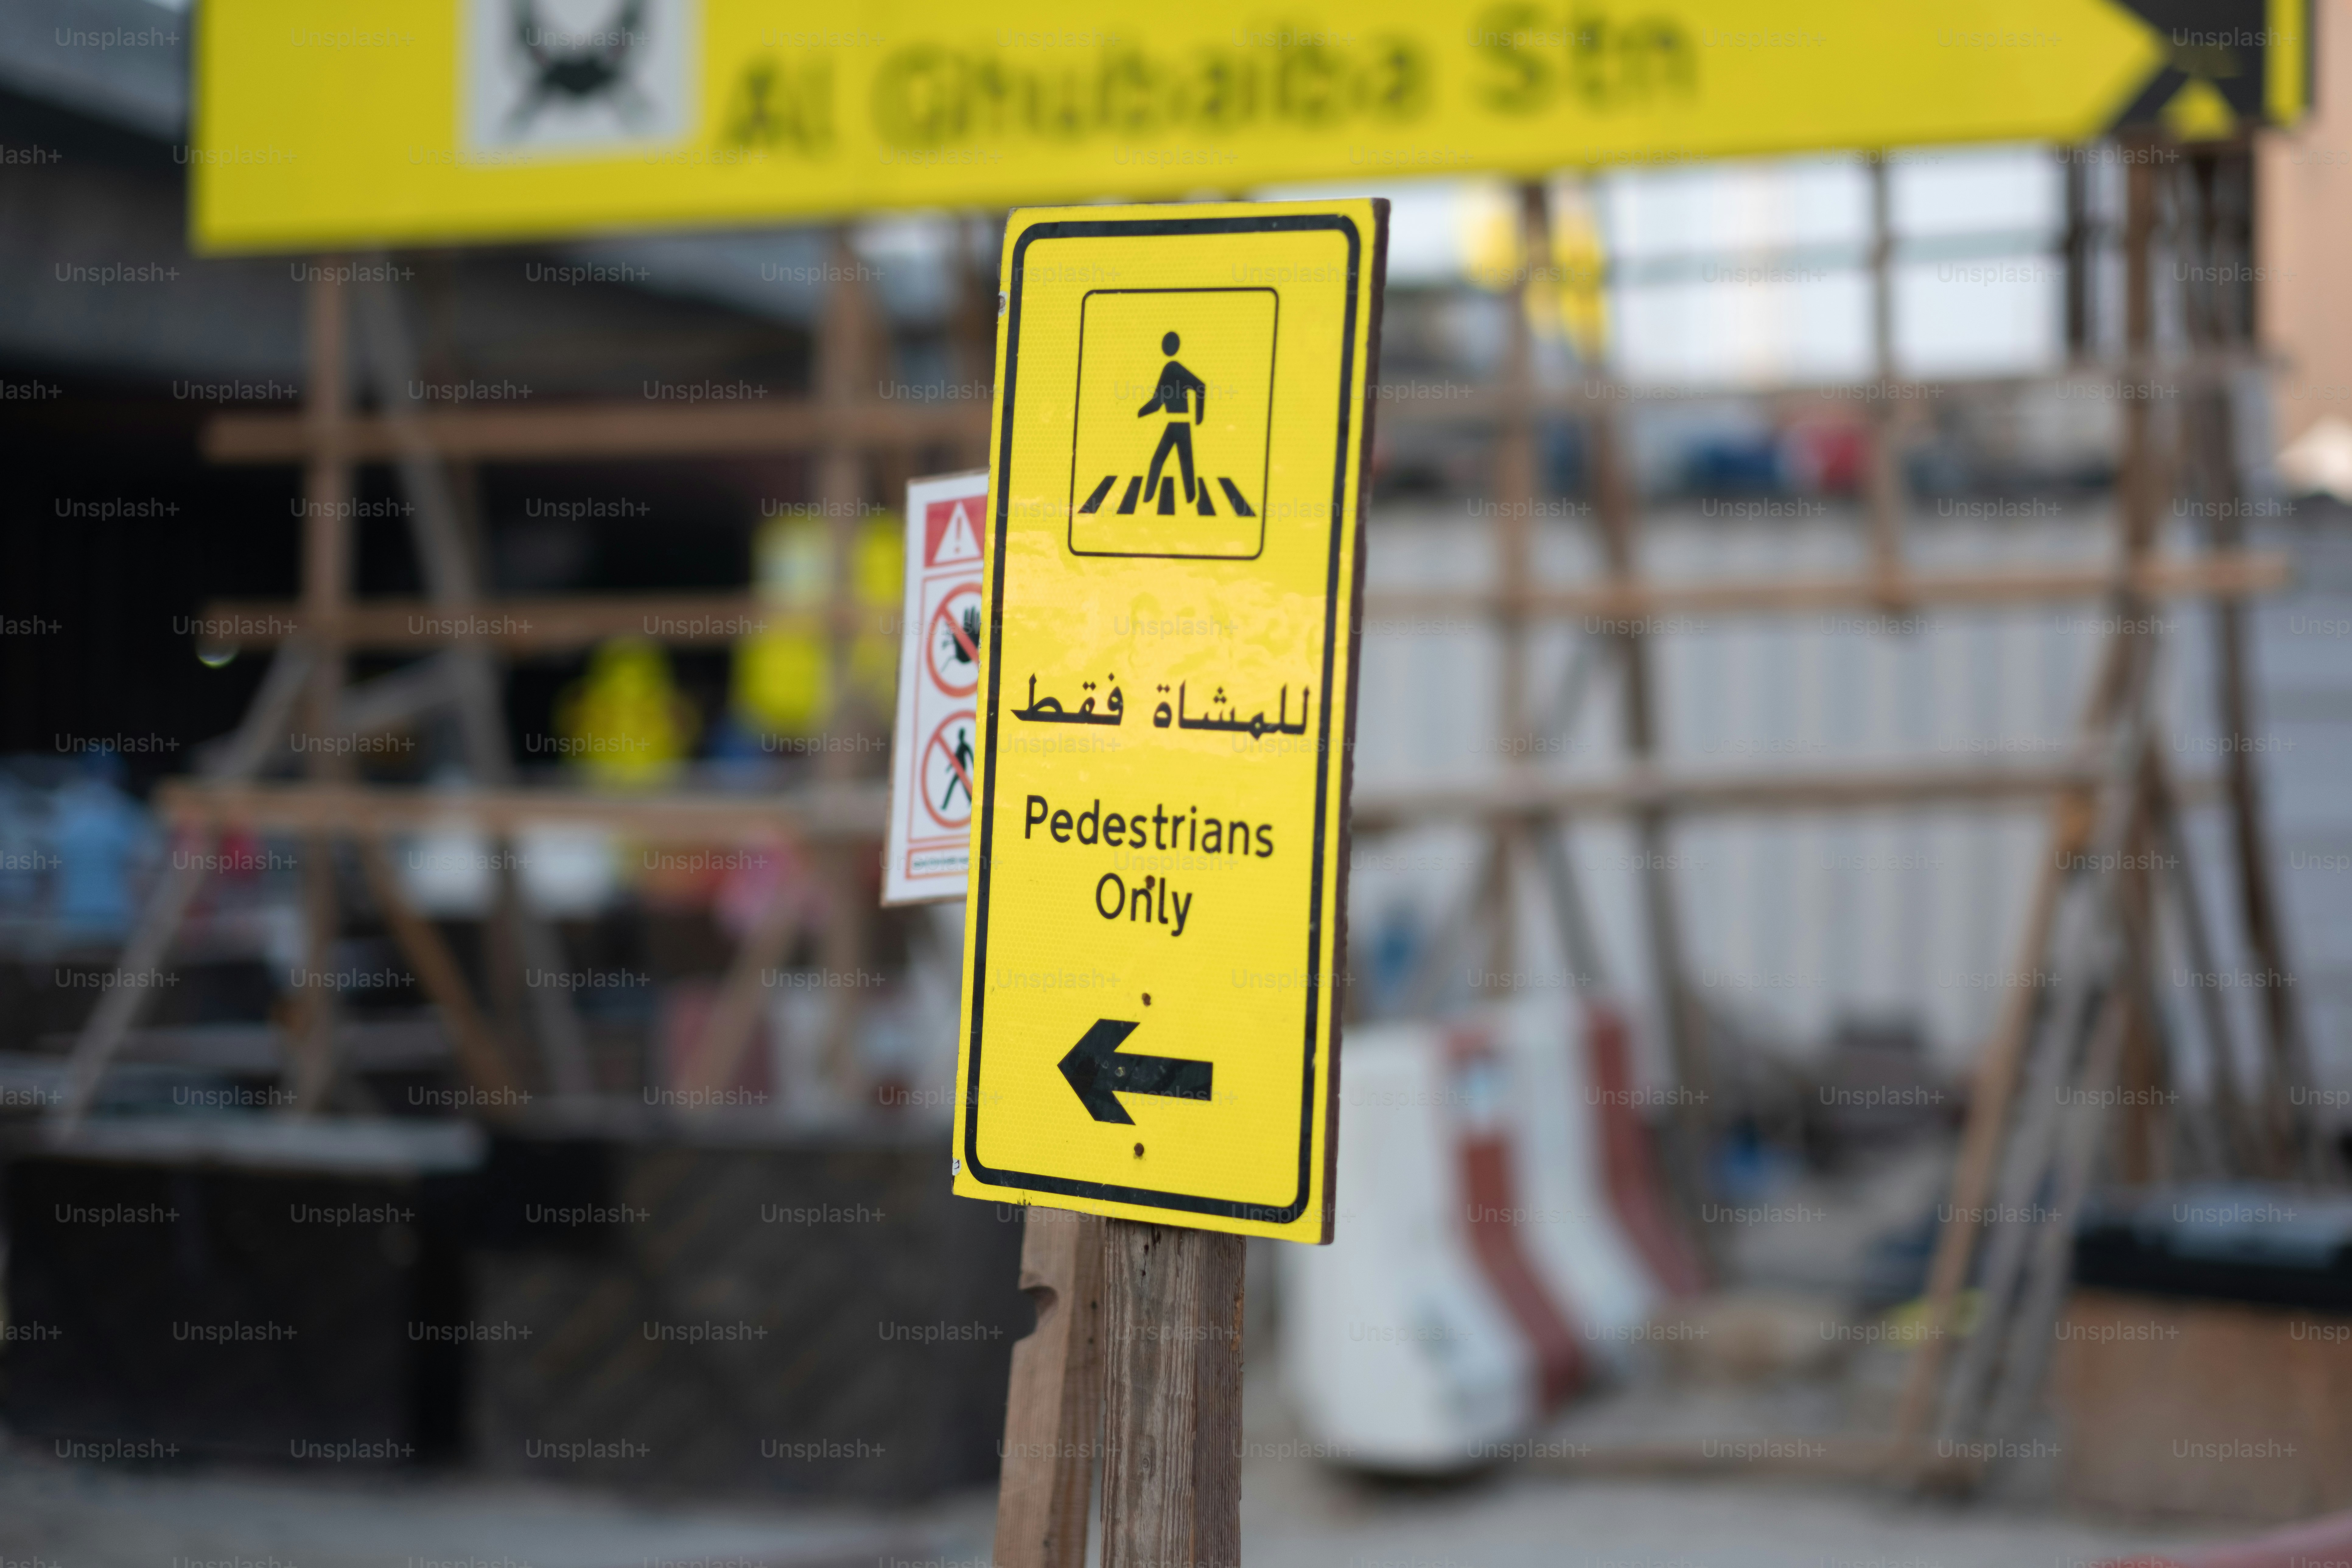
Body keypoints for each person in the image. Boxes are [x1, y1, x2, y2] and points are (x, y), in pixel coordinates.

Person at [1136, 331, 1207, 504]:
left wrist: (1199, 417)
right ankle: (1186, 498)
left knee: (1179, 462)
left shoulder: (1173, 369)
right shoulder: (1169, 369)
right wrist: (1141, 412)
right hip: (1176, 424)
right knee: (1179, 461)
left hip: (1180, 425)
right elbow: (1158, 403)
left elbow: (1200, 387)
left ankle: (1187, 499)